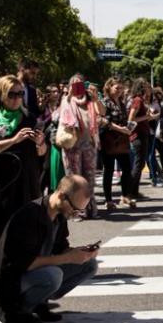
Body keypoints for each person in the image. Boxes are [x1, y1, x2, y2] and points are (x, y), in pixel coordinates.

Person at [0, 175, 100, 323]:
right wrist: (68, 257)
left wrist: (79, 252)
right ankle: (17, 313)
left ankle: (39, 302)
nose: (77, 214)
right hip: (8, 284)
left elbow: (60, 248)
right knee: (53, 275)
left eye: (81, 211)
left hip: (32, 273)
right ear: (61, 196)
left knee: (89, 265)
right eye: (75, 209)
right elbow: (23, 263)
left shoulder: (59, 215)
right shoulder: (29, 215)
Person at [0, 74, 46, 243]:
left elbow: (42, 152)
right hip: (2, 184)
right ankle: (0, 268)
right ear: (1, 95)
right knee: (2, 231)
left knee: (27, 230)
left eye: (20, 94)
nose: (16, 99)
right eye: (11, 94)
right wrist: (14, 140)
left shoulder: (29, 118)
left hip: (28, 182)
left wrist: (39, 143)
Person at [58, 75, 101, 219]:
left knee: (89, 178)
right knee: (74, 180)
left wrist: (96, 98)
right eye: (74, 84)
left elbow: (102, 112)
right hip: (72, 145)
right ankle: (75, 210)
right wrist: (69, 95)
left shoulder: (90, 101)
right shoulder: (66, 100)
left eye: (80, 84)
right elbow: (62, 116)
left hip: (89, 144)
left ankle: (90, 206)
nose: (78, 87)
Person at [99, 78, 133, 211]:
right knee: (108, 170)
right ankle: (108, 200)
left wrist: (129, 128)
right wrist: (121, 129)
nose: (119, 91)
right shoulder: (105, 102)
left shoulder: (122, 103)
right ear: (109, 88)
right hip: (108, 140)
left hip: (122, 140)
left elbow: (124, 119)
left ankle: (125, 195)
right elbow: (105, 122)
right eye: (116, 88)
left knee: (127, 169)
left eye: (120, 88)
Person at [125, 78, 155, 199]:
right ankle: (129, 191)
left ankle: (134, 191)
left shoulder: (141, 100)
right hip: (138, 136)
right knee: (138, 164)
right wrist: (145, 117)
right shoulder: (137, 100)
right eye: (147, 87)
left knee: (140, 164)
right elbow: (131, 119)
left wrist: (148, 117)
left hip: (142, 134)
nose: (149, 89)